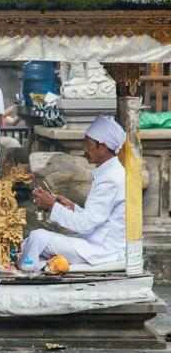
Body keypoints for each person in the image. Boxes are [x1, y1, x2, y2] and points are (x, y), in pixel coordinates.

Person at [22, 116, 125, 270]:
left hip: (102, 249)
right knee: (29, 242)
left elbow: (85, 225)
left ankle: (27, 271)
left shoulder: (111, 179)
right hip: (95, 241)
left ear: (102, 147)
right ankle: (37, 266)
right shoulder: (110, 172)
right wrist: (72, 207)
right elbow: (96, 217)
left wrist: (52, 206)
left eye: (88, 145)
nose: (85, 150)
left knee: (38, 237)